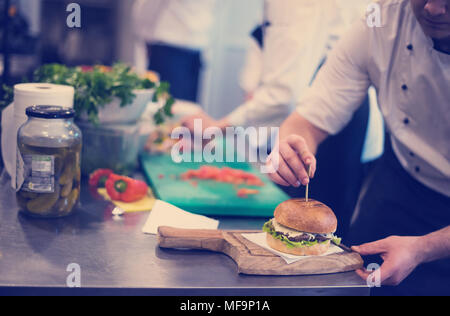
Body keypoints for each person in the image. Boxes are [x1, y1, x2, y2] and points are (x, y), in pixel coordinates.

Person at [267, 0, 450, 295]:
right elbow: (311, 116)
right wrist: (291, 142)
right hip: (399, 182)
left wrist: (422, 248)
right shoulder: (381, 18)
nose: (432, 9)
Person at [182, 0, 380, 239]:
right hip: (338, 115)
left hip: (327, 126)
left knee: (309, 235)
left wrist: (217, 127)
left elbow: (284, 94)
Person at [132, 0, 216, 102]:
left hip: (197, 48)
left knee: (189, 108)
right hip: (168, 47)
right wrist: (145, 35)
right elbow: (147, 6)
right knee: (164, 105)